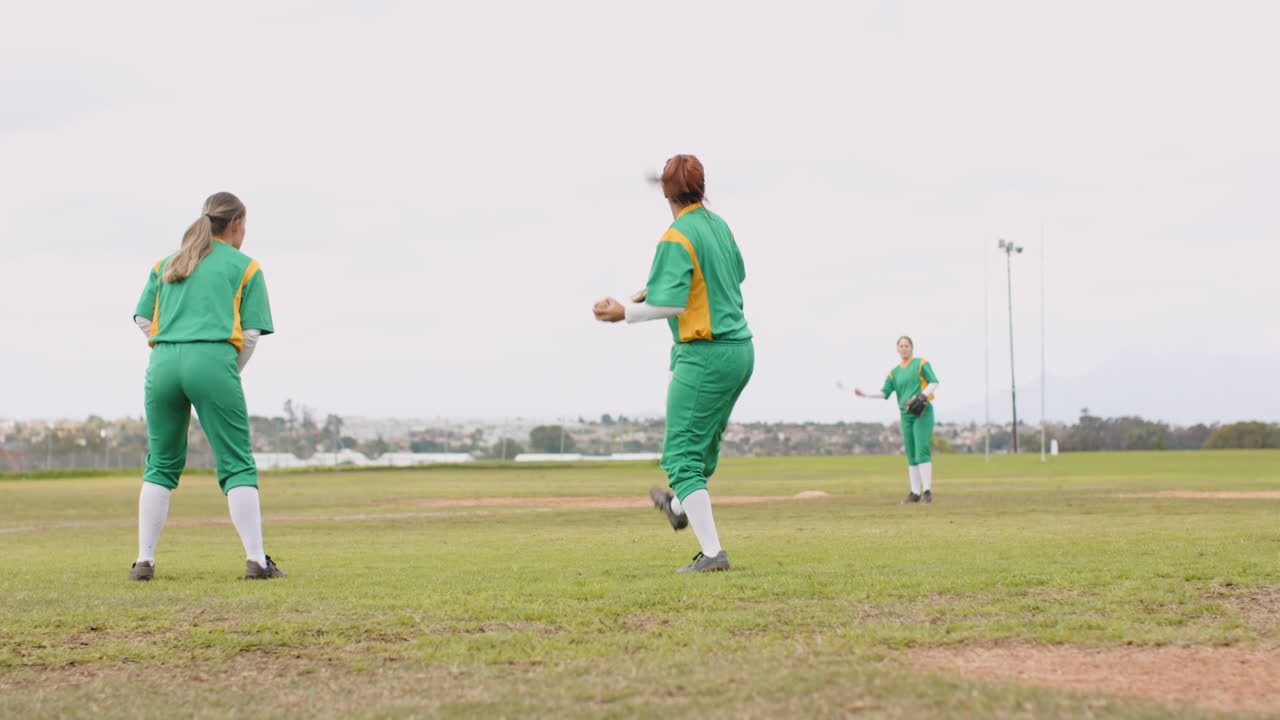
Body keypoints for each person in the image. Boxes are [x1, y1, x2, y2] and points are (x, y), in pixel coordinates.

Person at [594, 154, 753, 573]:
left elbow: (674, 302)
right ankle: (680, 505)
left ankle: (714, 554)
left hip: (705, 353)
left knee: (681, 455)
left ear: (666, 193)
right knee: (700, 453)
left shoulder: (676, 234)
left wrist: (623, 311)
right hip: (740, 350)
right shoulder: (719, 227)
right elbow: (731, 277)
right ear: (702, 187)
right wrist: (657, 288)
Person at [129, 191, 285, 581]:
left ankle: (144, 562)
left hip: (163, 360)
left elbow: (142, 319)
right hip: (213, 361)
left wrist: (171, 341)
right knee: (236, 464)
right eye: (244, 225)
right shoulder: (245, 267)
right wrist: (225, 369)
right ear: (235, 225)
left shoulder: (167, 264)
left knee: (161, 463)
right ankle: (257, 561)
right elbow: (249, 335)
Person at [855, 336, 940, 503]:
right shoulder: (894, 373)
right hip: (906, 413)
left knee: (922, 449)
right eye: (901, 346)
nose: (904, 348)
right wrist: (866, 395)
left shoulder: (921, 364)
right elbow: (885, 392)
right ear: (897, 349)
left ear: (912, 347)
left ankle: (927, 491)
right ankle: (915, 492)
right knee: (911, 452)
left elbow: (934, 382)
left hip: (922, 411)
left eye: (906, 345)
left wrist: (922, 396)